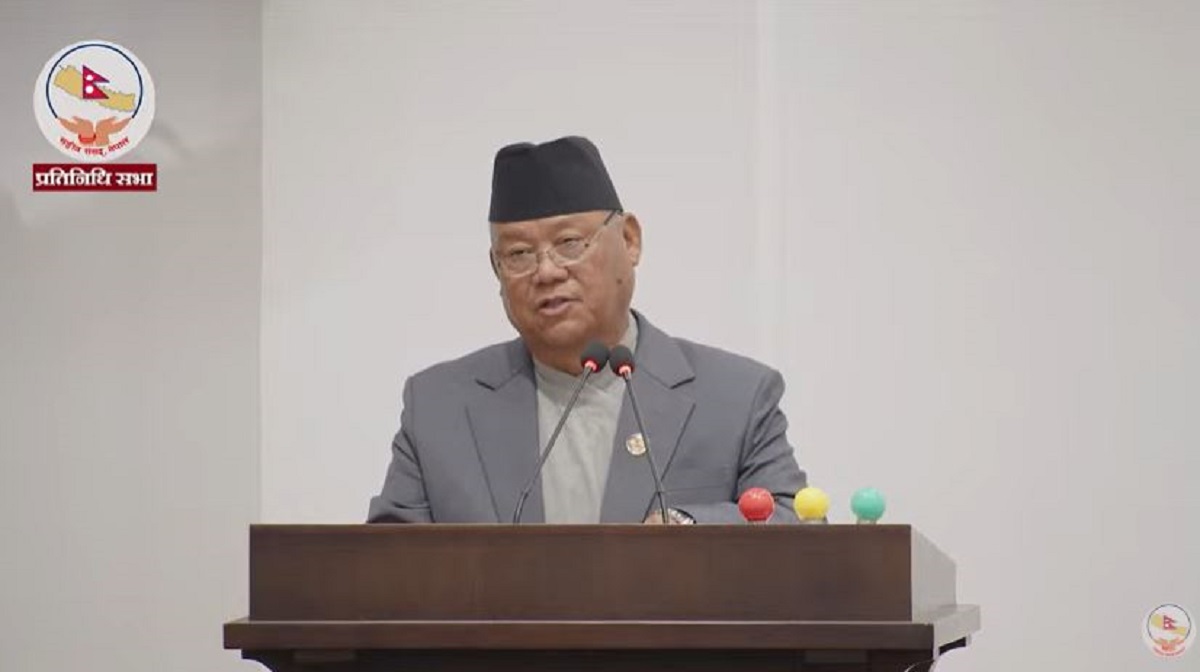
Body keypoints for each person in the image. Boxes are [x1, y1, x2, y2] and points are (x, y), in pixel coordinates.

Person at [368, 136, 806, 524]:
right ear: (496, 269)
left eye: (569, 244)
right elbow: (386, 563)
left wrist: (684, 526)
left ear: (630, 240)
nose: (546, 271)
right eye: (518, 254)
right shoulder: (438, 408)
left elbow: (795, 523)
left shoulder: (735, 397)